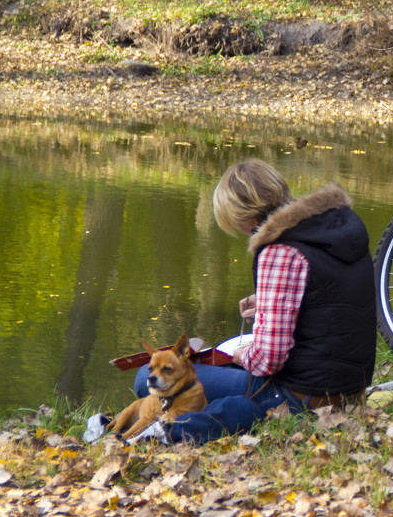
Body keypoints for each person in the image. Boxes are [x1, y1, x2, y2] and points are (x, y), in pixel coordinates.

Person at [131, 158, 376, 442]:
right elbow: (331, 300)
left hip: (302, 396)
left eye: (236, 224)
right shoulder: (335, 228)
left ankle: (174, 428)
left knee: (143, 379)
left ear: (246, 217)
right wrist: (270, 301)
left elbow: (267, 360)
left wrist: (239, 355)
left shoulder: (279, 252)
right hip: (350, 391)